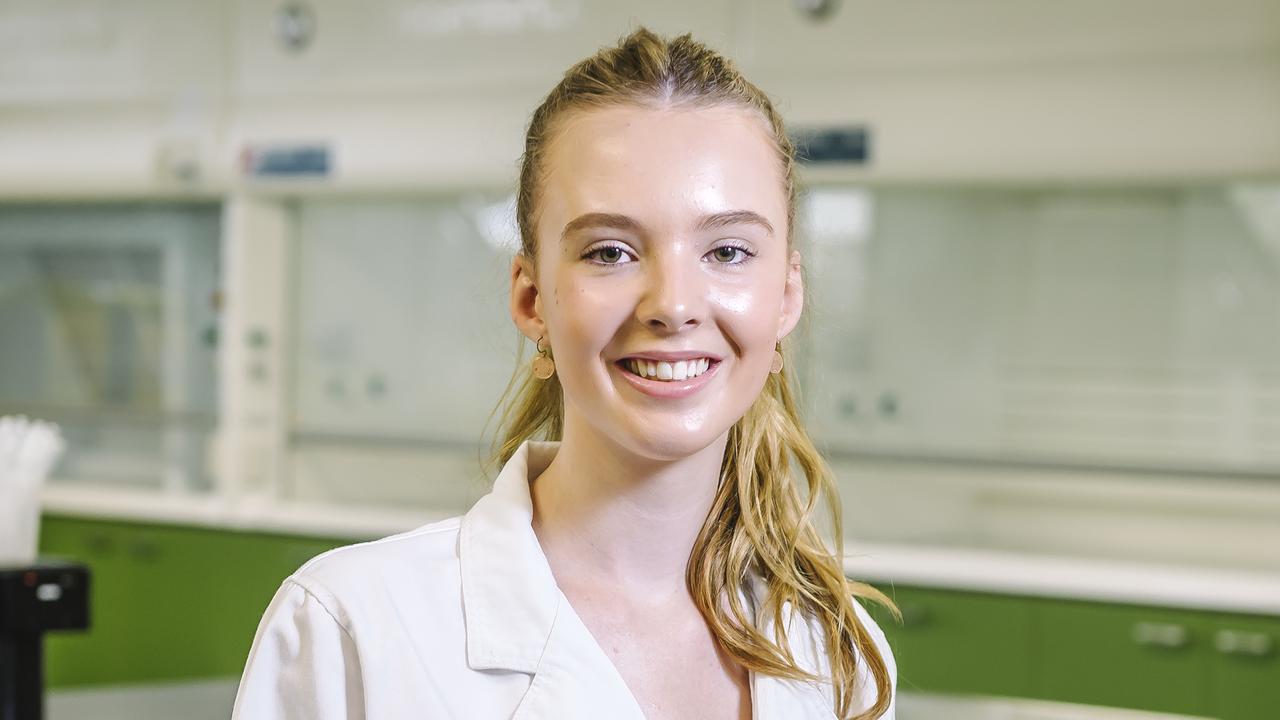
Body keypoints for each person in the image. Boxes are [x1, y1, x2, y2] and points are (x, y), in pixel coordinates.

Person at [232, 27, 897, 720]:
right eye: (609, 252)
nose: (673, 305)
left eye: (728, 251)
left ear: (787, 296)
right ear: (530, 299)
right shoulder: (354, 629)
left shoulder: (837, 655)